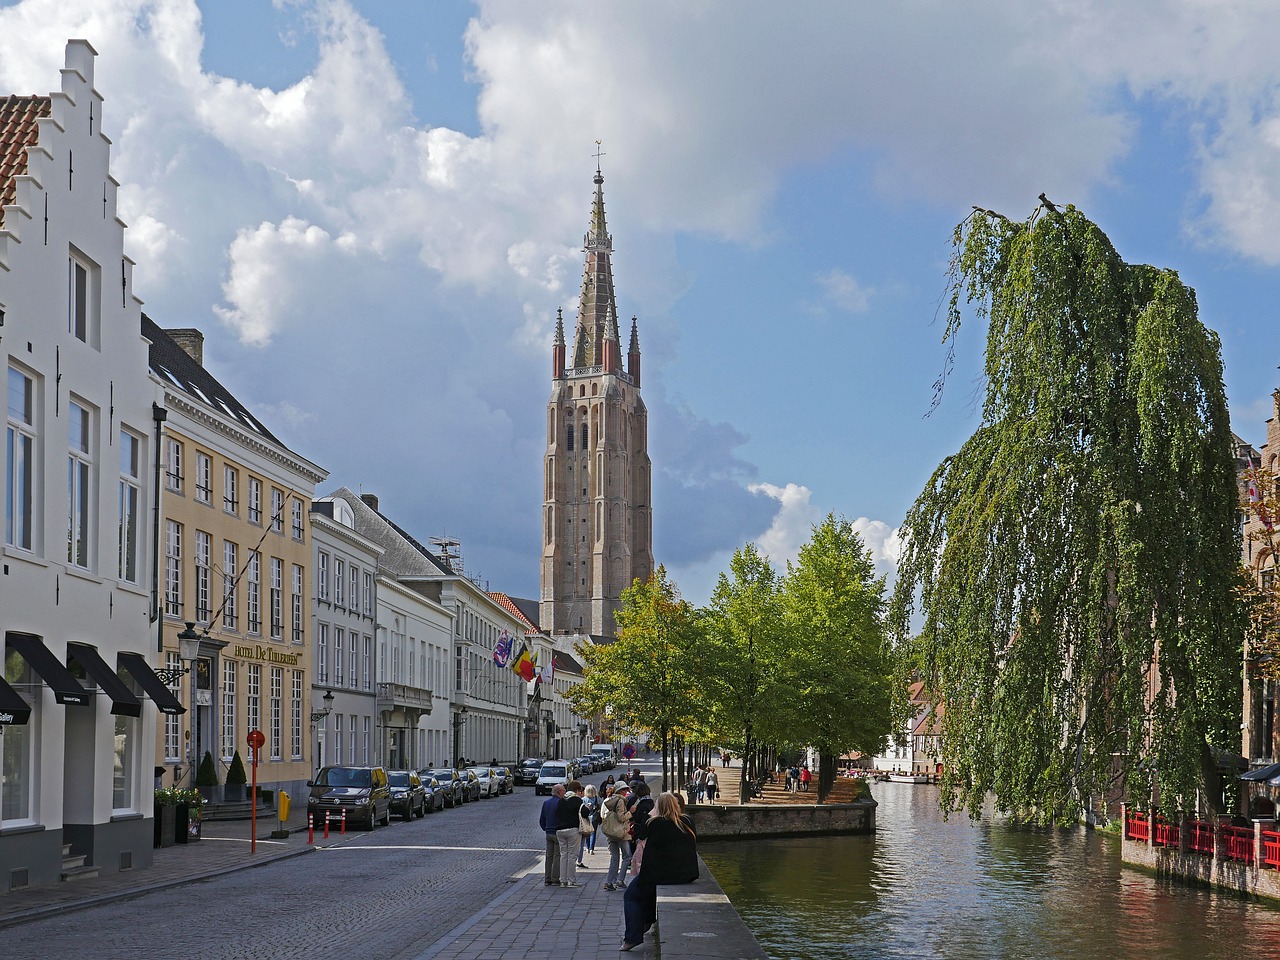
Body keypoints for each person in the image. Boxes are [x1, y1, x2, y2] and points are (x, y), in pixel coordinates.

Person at [620, 791, 698, 951]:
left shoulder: (654, 823)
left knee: (631, 895)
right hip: (687, 873)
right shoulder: (688, 821)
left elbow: (639, 835)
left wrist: (652, 814)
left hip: (662, 873)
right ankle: (645, 924)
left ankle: (633, 937)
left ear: (659, 806)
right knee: (645, 887)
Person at [601, 783, 633, 891]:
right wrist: (630, 812)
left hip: (611, 832)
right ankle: (620, 880)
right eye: (623, 790)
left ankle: (609, 882)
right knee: (627, 856)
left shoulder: (609, 800)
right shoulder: (620, 801)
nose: (625, 792)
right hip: (620, 833)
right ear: (619, 791)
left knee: (614, 857)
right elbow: (621, 818)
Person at [554, 779, 586, 887]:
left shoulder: (561, 800)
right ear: (577, 790)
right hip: (573, 830)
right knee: (572, 856)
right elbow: (585, 813)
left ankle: (562, 880)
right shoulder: (577, 800)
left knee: (563, 855)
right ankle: (572, 880)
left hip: (560, 830)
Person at [539, 783, 565, 886]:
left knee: (549, 856)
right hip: (557, 832)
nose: (565, 792)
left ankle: (547, 878)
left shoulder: (546, 803)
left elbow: (542, 819)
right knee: (557, 856)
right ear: (559, 792)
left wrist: (545, 828)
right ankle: (555, 879)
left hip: (548, 832)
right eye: (563, 790)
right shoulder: (561, 803)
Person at [578, 783, 601, 865]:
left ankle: (587, 847)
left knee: (586, 833)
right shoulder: (596, 798)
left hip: (586, 818)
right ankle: (591, 849)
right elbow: (600, 805)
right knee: (593, 833)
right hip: (594, 817)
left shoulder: (583, 799)